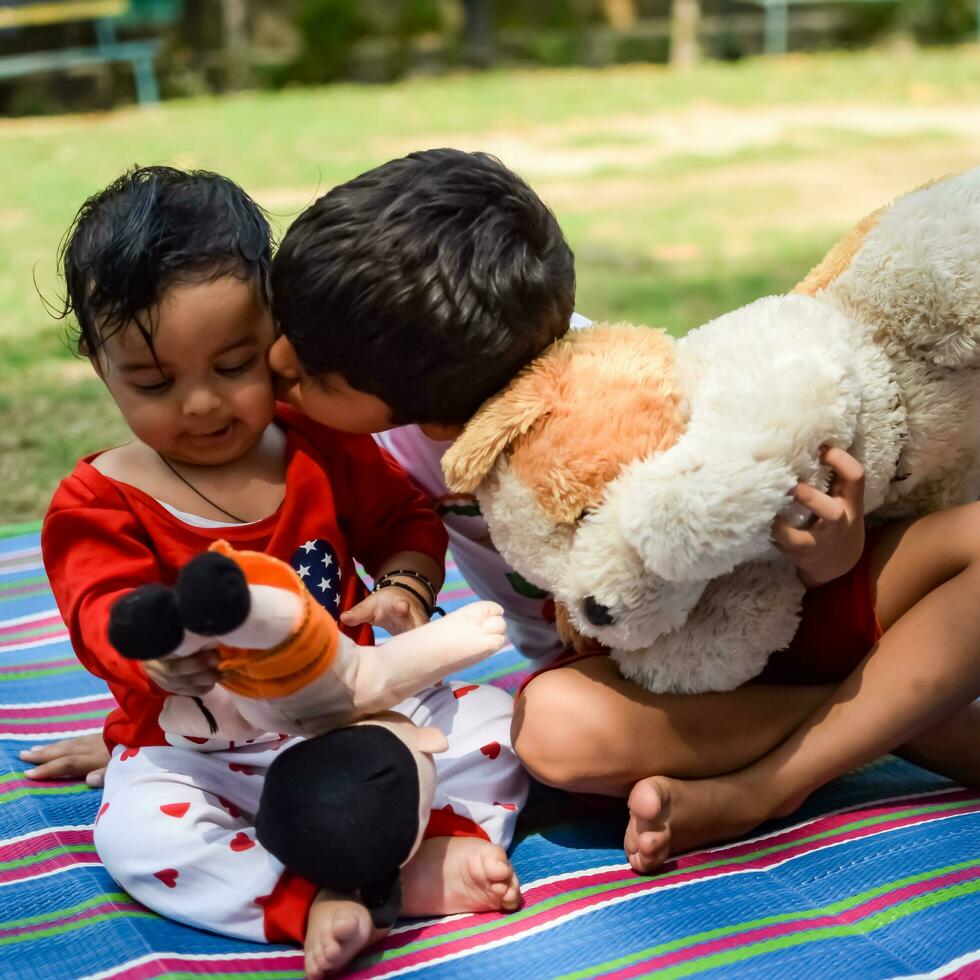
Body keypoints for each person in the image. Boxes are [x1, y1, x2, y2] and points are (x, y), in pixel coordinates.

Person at [34, 149, 980, 893]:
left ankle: (801, 767)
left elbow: (744, 509)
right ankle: (898, 706)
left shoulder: (599, 391)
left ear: (435, 419)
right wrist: (155, 724)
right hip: (645, 682)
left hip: (785, 604)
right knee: (555, 729)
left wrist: (835, 557)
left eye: (297, 367)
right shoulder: (370, 386)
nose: (279, 369)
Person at [38, 165, 527, 978]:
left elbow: (403, 519)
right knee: (137, 836)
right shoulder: (99, 501)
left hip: (359, 706)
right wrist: (154, 658)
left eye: (234, 366)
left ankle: (436, 845)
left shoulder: (314, 441)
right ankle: (306, 898)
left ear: (276, 330)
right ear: (100, 366)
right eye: (156, 383)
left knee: (502, 726)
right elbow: (101, 609)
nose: (202, 405)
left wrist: (407, 587)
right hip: (209, 748)